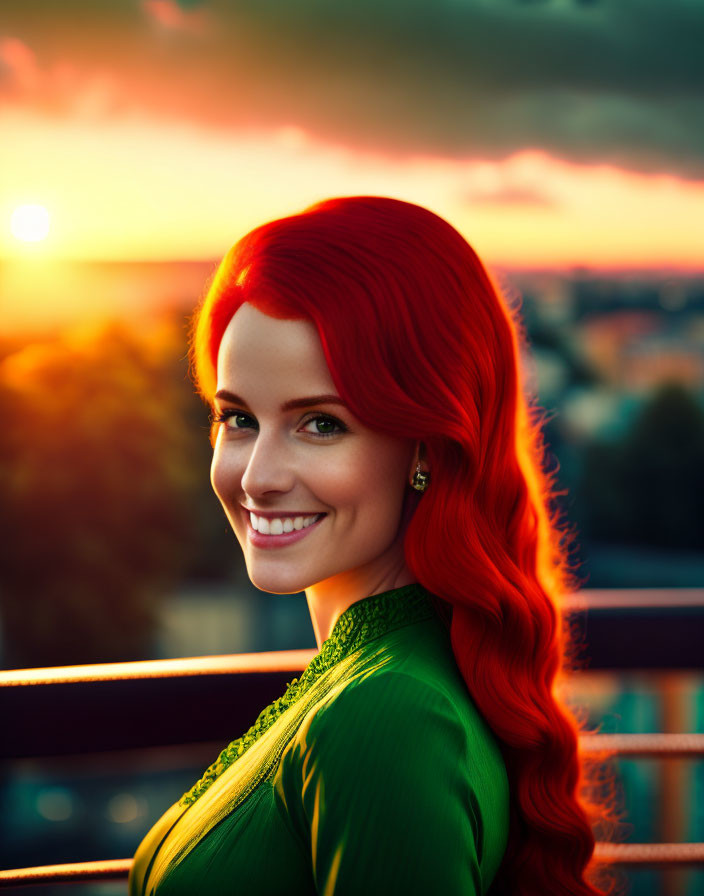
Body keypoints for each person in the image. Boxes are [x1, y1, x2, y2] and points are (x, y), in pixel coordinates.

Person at [129, 196, 615, 895]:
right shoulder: (392, 674)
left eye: (320, 424)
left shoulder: (387, 717)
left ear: (427, 444)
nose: (257, 477)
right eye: (237, 418)